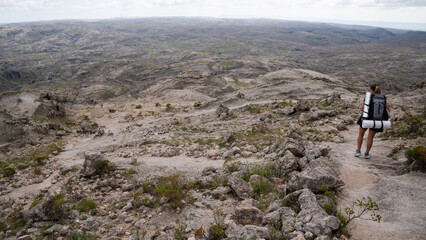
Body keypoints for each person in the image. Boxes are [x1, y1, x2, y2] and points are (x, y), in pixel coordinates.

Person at [355, 84, 390, 159]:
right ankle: (367, 154)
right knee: (370, 138)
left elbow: (362, 108)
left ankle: (358, 151)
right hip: (376, 121)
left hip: (366, 119)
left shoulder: (368, 97)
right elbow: (388, 110)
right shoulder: (383, 98)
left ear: (371, 89)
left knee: (361, 135)